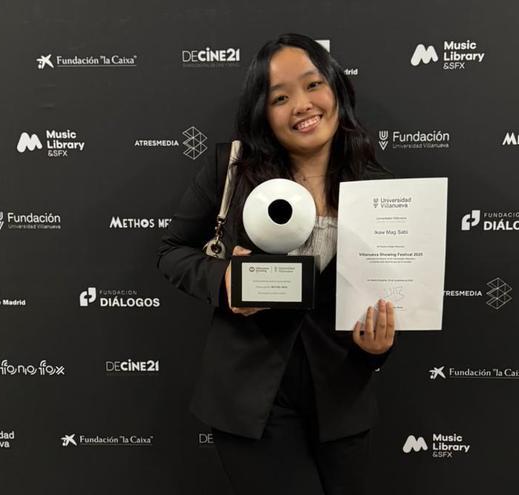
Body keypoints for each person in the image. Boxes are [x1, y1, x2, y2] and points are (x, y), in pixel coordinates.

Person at [157, 33, 396, 495]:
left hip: (342, 402)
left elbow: (392, 291)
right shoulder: (231, 169)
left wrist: (378, 346)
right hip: (251, 401)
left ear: (336, 90)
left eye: (312, 86)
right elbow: (171, 250)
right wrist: (224, 279)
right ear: (262, 112)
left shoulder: (377, 187)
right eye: (280, 97)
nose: (301, 106)